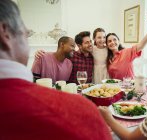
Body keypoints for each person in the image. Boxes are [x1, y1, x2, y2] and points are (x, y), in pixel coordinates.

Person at [0, 1, 112, 139]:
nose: (27, 34)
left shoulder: (92, 55)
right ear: (5, 32)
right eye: (24, 32)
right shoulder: (65, 58)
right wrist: (41, 56)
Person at [106, 16, 147, 80]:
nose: (112, 42)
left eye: (114, 40)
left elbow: (141, 45)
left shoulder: (126, 52)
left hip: (129, 87)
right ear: (107, 45)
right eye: (109, 41)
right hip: (115, 88)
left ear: (119, 41)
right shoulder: (108, 59)